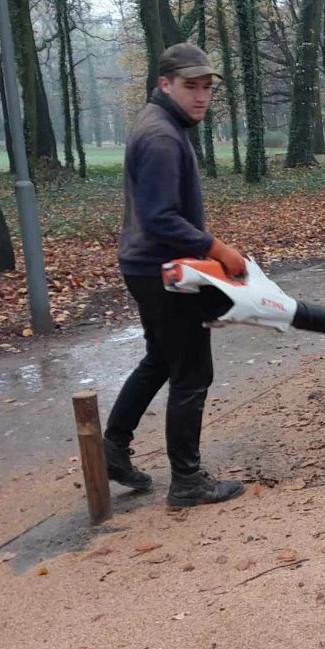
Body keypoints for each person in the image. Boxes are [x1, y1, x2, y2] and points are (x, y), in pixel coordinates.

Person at [103, 43, 246, 508]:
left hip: (145, 265)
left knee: (161, 360)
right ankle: (187, 482)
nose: (201, 97)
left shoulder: (161, 123)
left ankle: (112, 449)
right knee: (191, 371)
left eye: (206, 88)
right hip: (162, 269)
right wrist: (218, 250)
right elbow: (160, 218)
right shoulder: (162, 136)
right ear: (164, 83)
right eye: (191, 87)